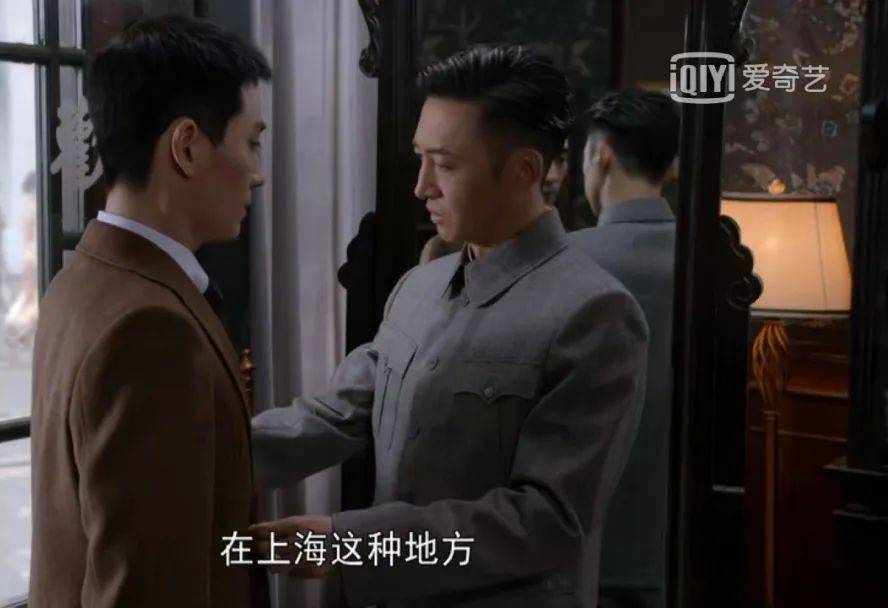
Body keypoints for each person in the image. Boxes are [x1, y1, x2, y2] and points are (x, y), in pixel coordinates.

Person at [250, 46, 649, 608]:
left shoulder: (595, 313)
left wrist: (351, 544)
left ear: (525, 170)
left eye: (446, 164)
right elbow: (337, 414)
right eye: (421, 158)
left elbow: (545, 520)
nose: (422, 186)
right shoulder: (418, 287)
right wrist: (202, 457)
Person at [29, 16, 270, 608]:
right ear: (186, 147)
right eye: (251, 142)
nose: (258, 174)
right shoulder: (152, 330)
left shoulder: (82, 280)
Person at [570, 89, 681, 608]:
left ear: (602, 155)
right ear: (671, 166)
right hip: (676, 536)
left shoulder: (560, 260)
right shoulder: (711, 260)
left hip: (577, 531)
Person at [419, 138, 569, 264]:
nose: (552, 177)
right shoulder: (444, 253)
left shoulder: (575, 249)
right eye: (527, 164)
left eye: (560, 160)